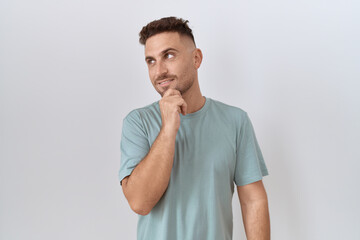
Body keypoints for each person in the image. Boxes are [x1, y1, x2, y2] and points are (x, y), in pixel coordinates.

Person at [118, 16, 270, 240]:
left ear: (196, 58)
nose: (159, 71)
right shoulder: (137, 122)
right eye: (151, 61)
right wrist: (169, 127)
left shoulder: (236, 121)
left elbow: (253, 200)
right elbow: (140, 202)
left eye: (168, 55)